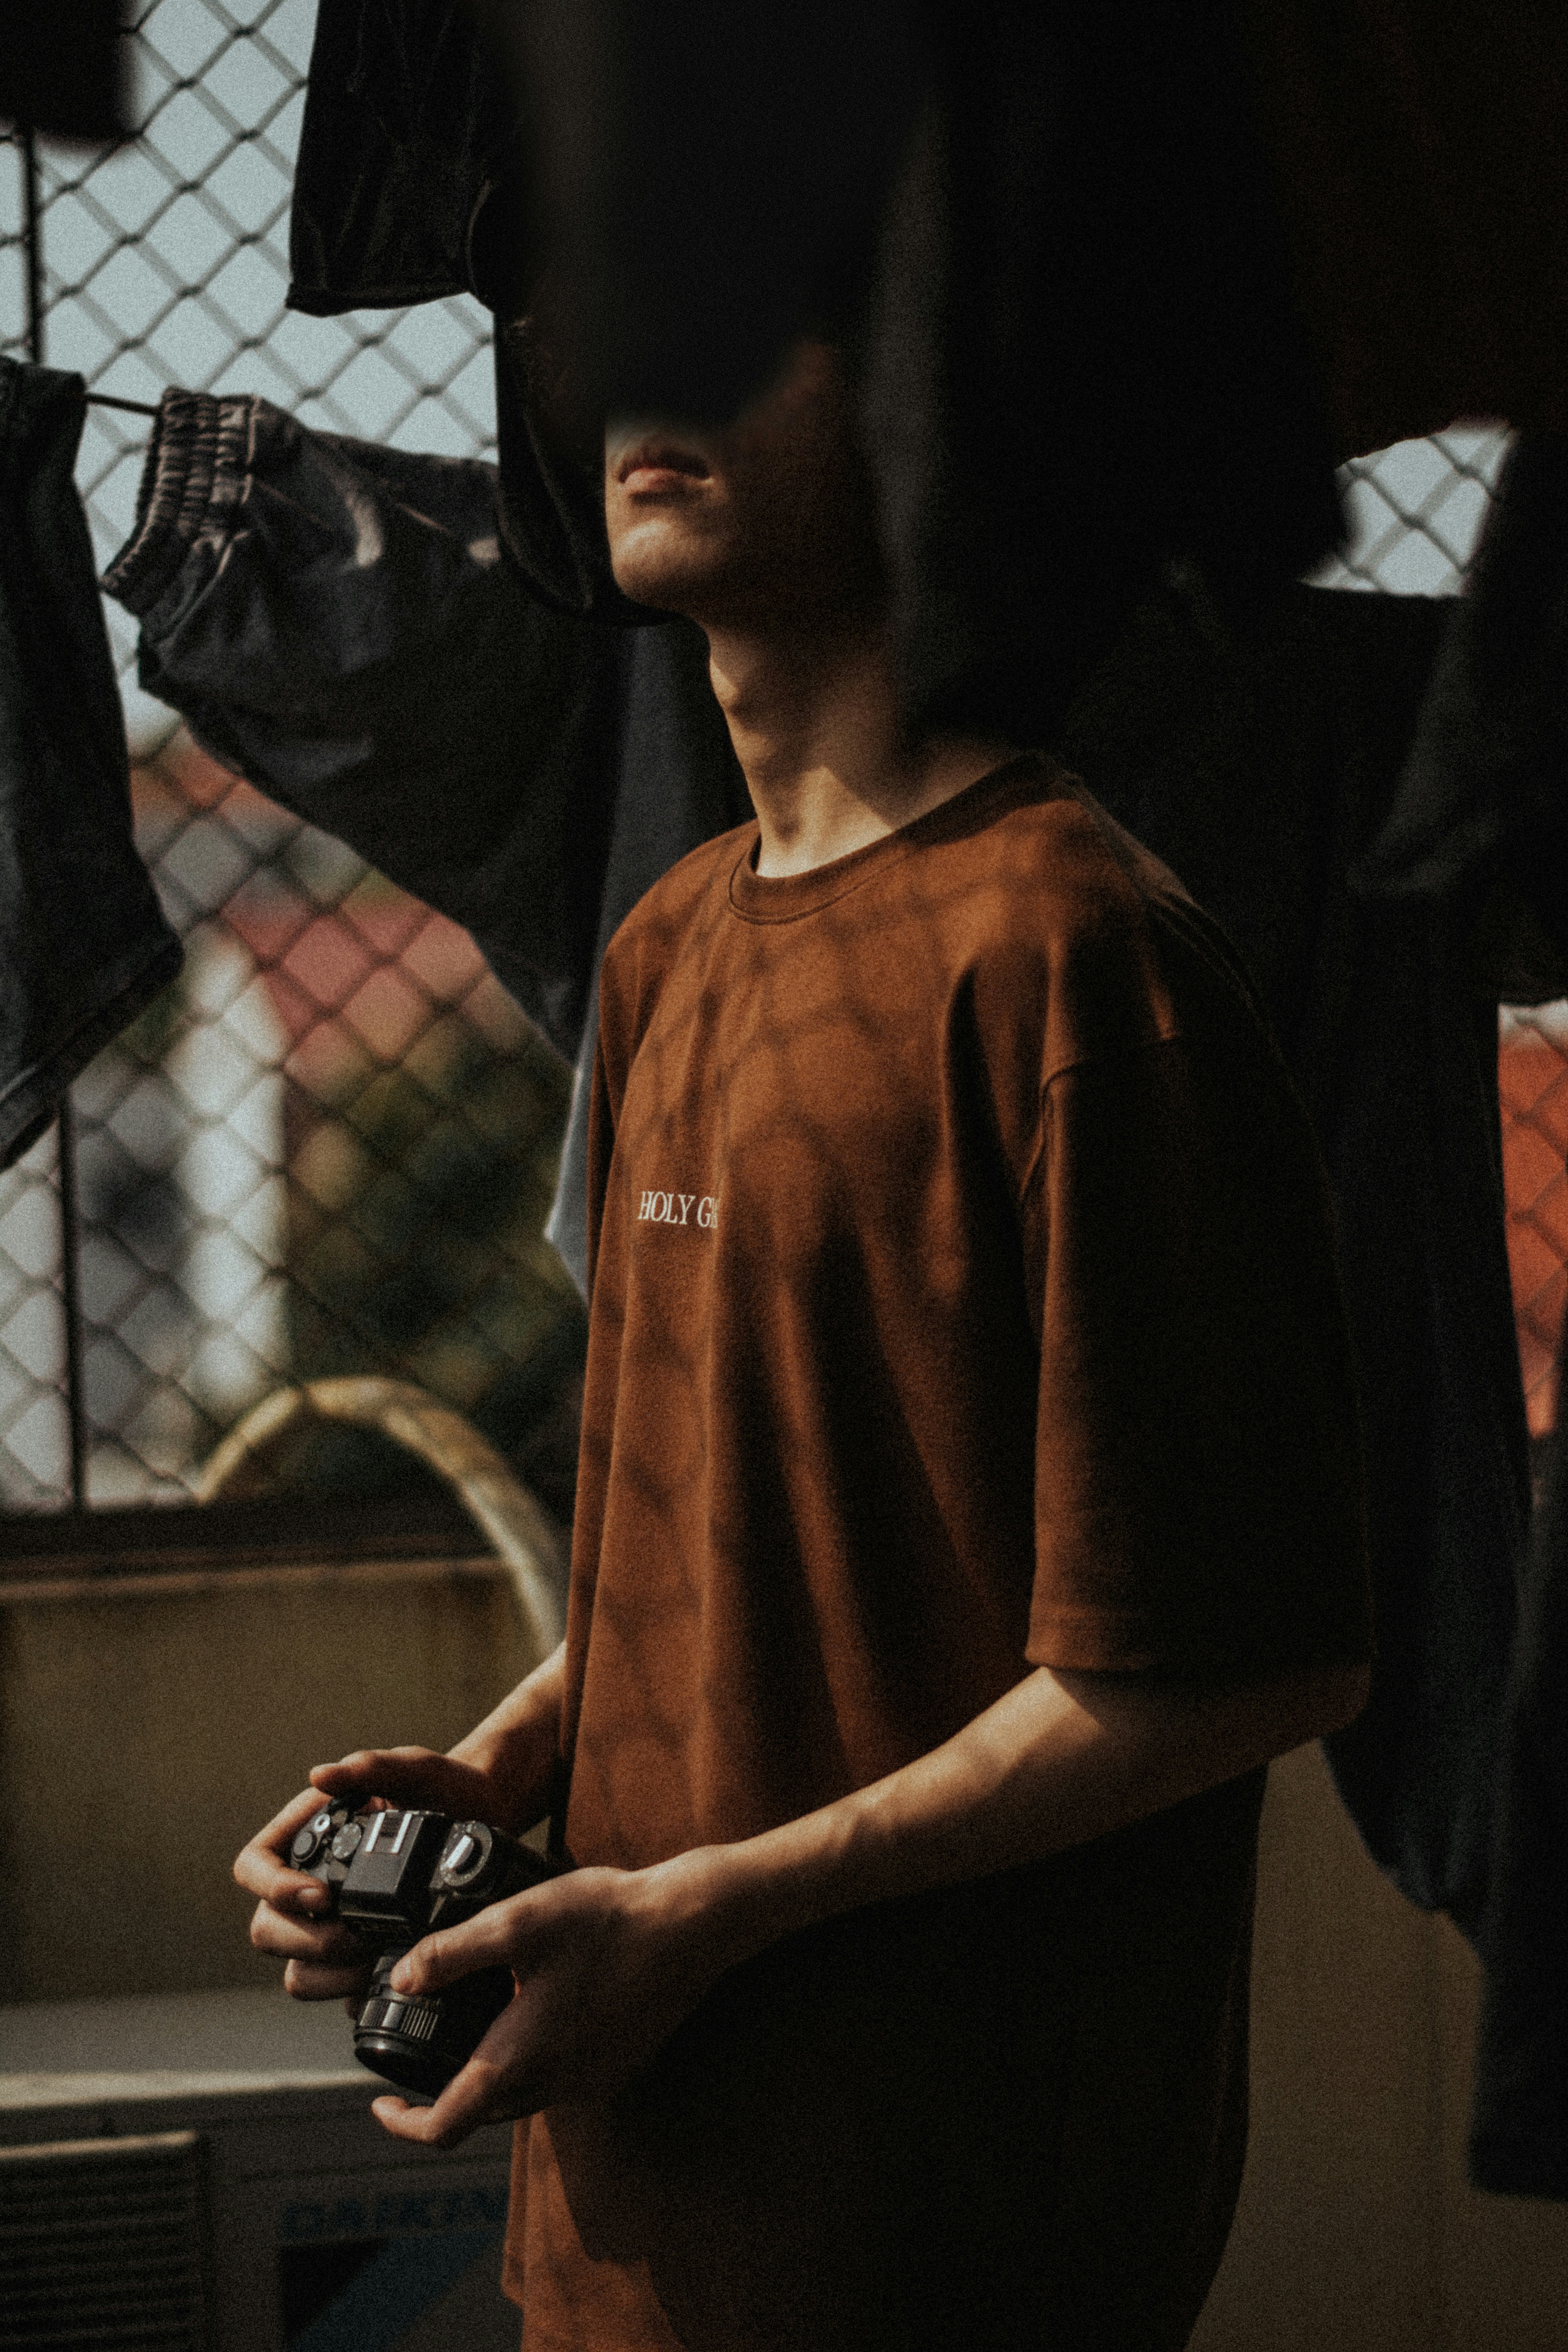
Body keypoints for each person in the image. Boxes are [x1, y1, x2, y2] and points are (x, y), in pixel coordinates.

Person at [236, 342, 1373, 2352]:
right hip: (621, 2198)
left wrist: (711, 1911)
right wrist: (506, 1771)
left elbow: (1236, 1659)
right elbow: (762, 1530)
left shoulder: (1074, 954)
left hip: (943, 2230)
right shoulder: (672, 938)